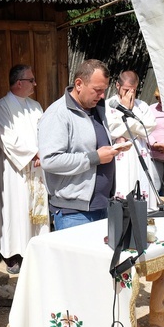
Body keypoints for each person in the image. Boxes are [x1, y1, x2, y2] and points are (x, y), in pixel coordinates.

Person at [38, 59, 124, 230]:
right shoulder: (58, 114)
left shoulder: (97, 109)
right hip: (74, 213)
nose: (102, 96)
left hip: (102, 205)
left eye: (104, 90)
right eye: (97, 90)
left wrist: (114, 144)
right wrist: (95, 158)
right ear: (78, 84)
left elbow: (88, 143)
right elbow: (49, 160)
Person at [0, 64, 49, 274]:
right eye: (31, 80)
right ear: (18, 83)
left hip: (37, 166)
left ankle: (37, 248)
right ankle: (13, 254)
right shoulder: (2, 106)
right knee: (16, 208)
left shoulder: (35, 106)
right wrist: (34, 153)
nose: (35, 83)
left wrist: (43, 152)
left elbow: (45, 131)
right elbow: (8, 140)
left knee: (35, 210)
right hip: (15, 170)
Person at [106, 70, 158, 209]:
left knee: (141, 185)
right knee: (123, 186)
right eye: (126, 90)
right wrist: (125, 111)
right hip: (120, 154)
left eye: (133, 90)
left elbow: (148, 128)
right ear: (117, 85)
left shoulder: (142, 106)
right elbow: (112, 129)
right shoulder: (108, 105)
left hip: (140, 151)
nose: (130, 93)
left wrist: (127, 122)